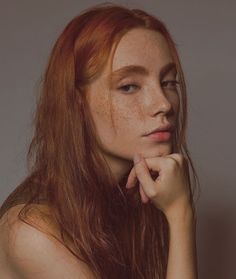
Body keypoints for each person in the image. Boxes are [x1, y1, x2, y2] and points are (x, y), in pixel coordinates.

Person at [0, 3, 200, 278]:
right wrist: (181, 215)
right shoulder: (31, 233)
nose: (163, 104)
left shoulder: (132, 202)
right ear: (76, 104)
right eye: (129, 86)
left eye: (168, 82)